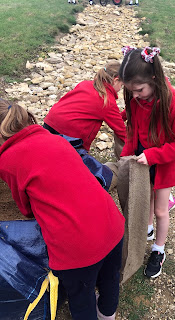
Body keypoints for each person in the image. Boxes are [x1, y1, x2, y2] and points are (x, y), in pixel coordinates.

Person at [0, 98, 125, 320]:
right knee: (109, 279)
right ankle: (108, 314)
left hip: (77, 248)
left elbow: (25, 208)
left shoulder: (7, 160)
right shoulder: (49, 136)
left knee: (81, 297)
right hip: (112, 223)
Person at [118, 46, 175, 279]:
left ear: (154, 78)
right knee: (146, 195)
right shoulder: (137, 98)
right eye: (132, 91)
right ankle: (147, 229)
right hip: (143, 159)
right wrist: (128, 154)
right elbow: (133, 128)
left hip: (164, 163)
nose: (136, 95)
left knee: (161, 209)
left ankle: (158, 250)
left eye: (139, 90)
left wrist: (153, 156)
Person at [43, 61, 126, 153]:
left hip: (50, 121)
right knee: (69, 161)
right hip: (69, 135)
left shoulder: (85, 84)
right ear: (115, 80)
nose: (120, 89)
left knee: (47, 152)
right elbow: (121, 130)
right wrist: (136, 149)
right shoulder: (107, 100)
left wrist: (125, 114)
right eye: (121, 85)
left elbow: (115, 117)